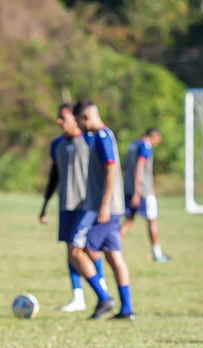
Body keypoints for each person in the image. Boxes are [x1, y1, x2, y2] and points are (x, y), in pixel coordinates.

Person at [39, 103, 108, 313]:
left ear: (75, 119)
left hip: (87, 204)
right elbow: (54, 176)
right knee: (71, 251)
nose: (59, 122)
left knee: (85, 250)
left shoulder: (90, 139)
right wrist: (45, 205)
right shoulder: (57, 144)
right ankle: (78, 296)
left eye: (63, 117)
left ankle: (102, 290)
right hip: (66, 205)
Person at [73, 100, 134, 320]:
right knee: (113, 256)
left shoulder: (101, 137)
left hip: (104, 208)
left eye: (78, 122)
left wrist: (105, 204)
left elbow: (110, 170)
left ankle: (104, 298)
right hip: (110, 207)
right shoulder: (100, 136)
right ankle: (127, 309)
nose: (78, 127)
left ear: (86, 117)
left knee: (76, 251)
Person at [120, 128, 171, 263]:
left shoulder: (132, 144)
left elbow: (125, 166)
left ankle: (112, 248)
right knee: (152, 220)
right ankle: (157, 254)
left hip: (128, 188)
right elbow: (139, 168)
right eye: (157, 141)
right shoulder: (145, 146)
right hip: (143, 191)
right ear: (154, 136)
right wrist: (138, 192)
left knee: (128, 220)